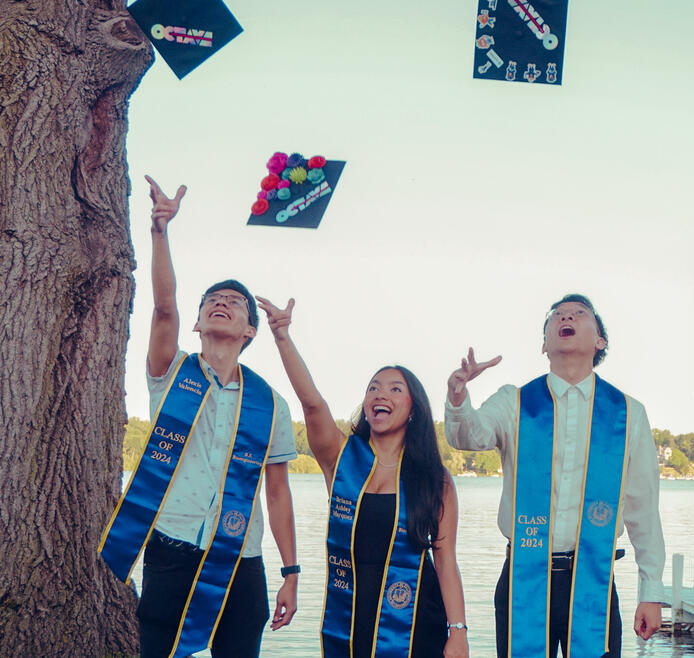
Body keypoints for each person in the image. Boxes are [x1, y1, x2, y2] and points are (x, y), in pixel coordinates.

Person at [99, 176, 299, 658]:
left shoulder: (270, 404)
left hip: (240, 562)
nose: (222, 303)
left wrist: (291, 573)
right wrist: (160, 231)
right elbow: (163, 307)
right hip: (171, 551)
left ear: (251, 329)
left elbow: (277, 492)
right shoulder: (171, 374)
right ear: (198, 322)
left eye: (235, 302)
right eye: (213, 300)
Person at [444, 293, 666, 658]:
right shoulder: (514, 402)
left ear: (600, 341)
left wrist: (651, 592)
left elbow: (643, 507)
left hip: (593, 578)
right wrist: (458, 396)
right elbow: (468, 435)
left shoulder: (627, 413)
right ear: (544, 343)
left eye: (580, 314)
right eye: (557, 315)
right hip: (524, 577)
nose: (567, 317)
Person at [257, 297, 469, 658]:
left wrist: (459, 631)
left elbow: (445, 558)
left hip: (417, 618)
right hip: (350, 615)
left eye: (394, 389)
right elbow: (312, 403)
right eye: (373, 388)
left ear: (413, 407)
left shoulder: (435, 478)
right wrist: (282, 337)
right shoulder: (341, 459)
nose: (380, 394)